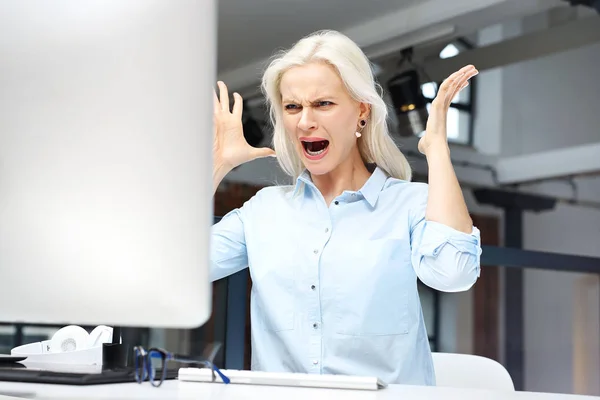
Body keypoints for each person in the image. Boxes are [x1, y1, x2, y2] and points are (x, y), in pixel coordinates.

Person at [210, 30, 481, 386]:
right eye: (293, 107)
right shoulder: (263, 211)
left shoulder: (410, 204)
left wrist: (437, 150)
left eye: (323, 103)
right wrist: (215, 165)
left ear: (361, 113)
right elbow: (173, 271)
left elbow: (454, 272)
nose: (305, 121)